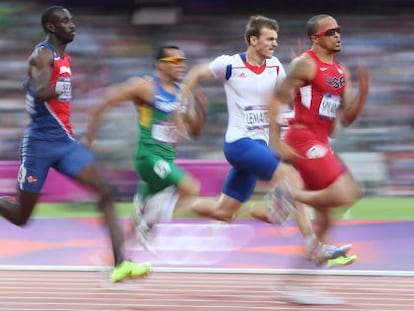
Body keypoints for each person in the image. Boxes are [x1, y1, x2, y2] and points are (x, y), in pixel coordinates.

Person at [181, 15, 351, 265]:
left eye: (276, 39)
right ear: (253, 40)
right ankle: (313, 246)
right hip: (239, 144)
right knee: (291, 178)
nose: (275, 44)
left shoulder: (276, 68)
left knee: (224, 212)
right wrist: (185, 98)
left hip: (258, 146)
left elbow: (286, 102)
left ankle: (175, 202)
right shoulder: (230, 64)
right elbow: (197, 72)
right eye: (270, 39)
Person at [0, 6, 152, 282]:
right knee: (22, 216)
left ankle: (121, 263)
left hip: (66, 143)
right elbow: (41, 91)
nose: (72, 25)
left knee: (106, 192)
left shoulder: (64, 57)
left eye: (72, 20)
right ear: (51, 27)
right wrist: (59, 85)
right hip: (39, 146)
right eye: (65, 21)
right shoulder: (42, 54)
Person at [84, 45, 215, 253]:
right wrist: (89, 138)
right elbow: (105, 102)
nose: (181, 66)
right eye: (175, 62)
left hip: (167, 160)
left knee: (135, 233)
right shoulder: (145, 87)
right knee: (191, 188)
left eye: (183, 61)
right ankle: (148, 215)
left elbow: (195, 131)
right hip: (149, 157)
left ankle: (117, 265)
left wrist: (201, 109)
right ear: (160, 65)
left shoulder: (183, 94)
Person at [268, 14, 370, 264]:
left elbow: (347, 117)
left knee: (326, 219)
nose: (337, 35)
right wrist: (276, 140)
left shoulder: (340, 71)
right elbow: (276, 99)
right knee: (346, 194)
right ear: (316, 38)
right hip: (302, 138)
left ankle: (300, 280)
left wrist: (363, 93)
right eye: (330, 32)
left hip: (321, 140)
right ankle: (291, 194)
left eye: (338, 31)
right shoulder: (305, 64)